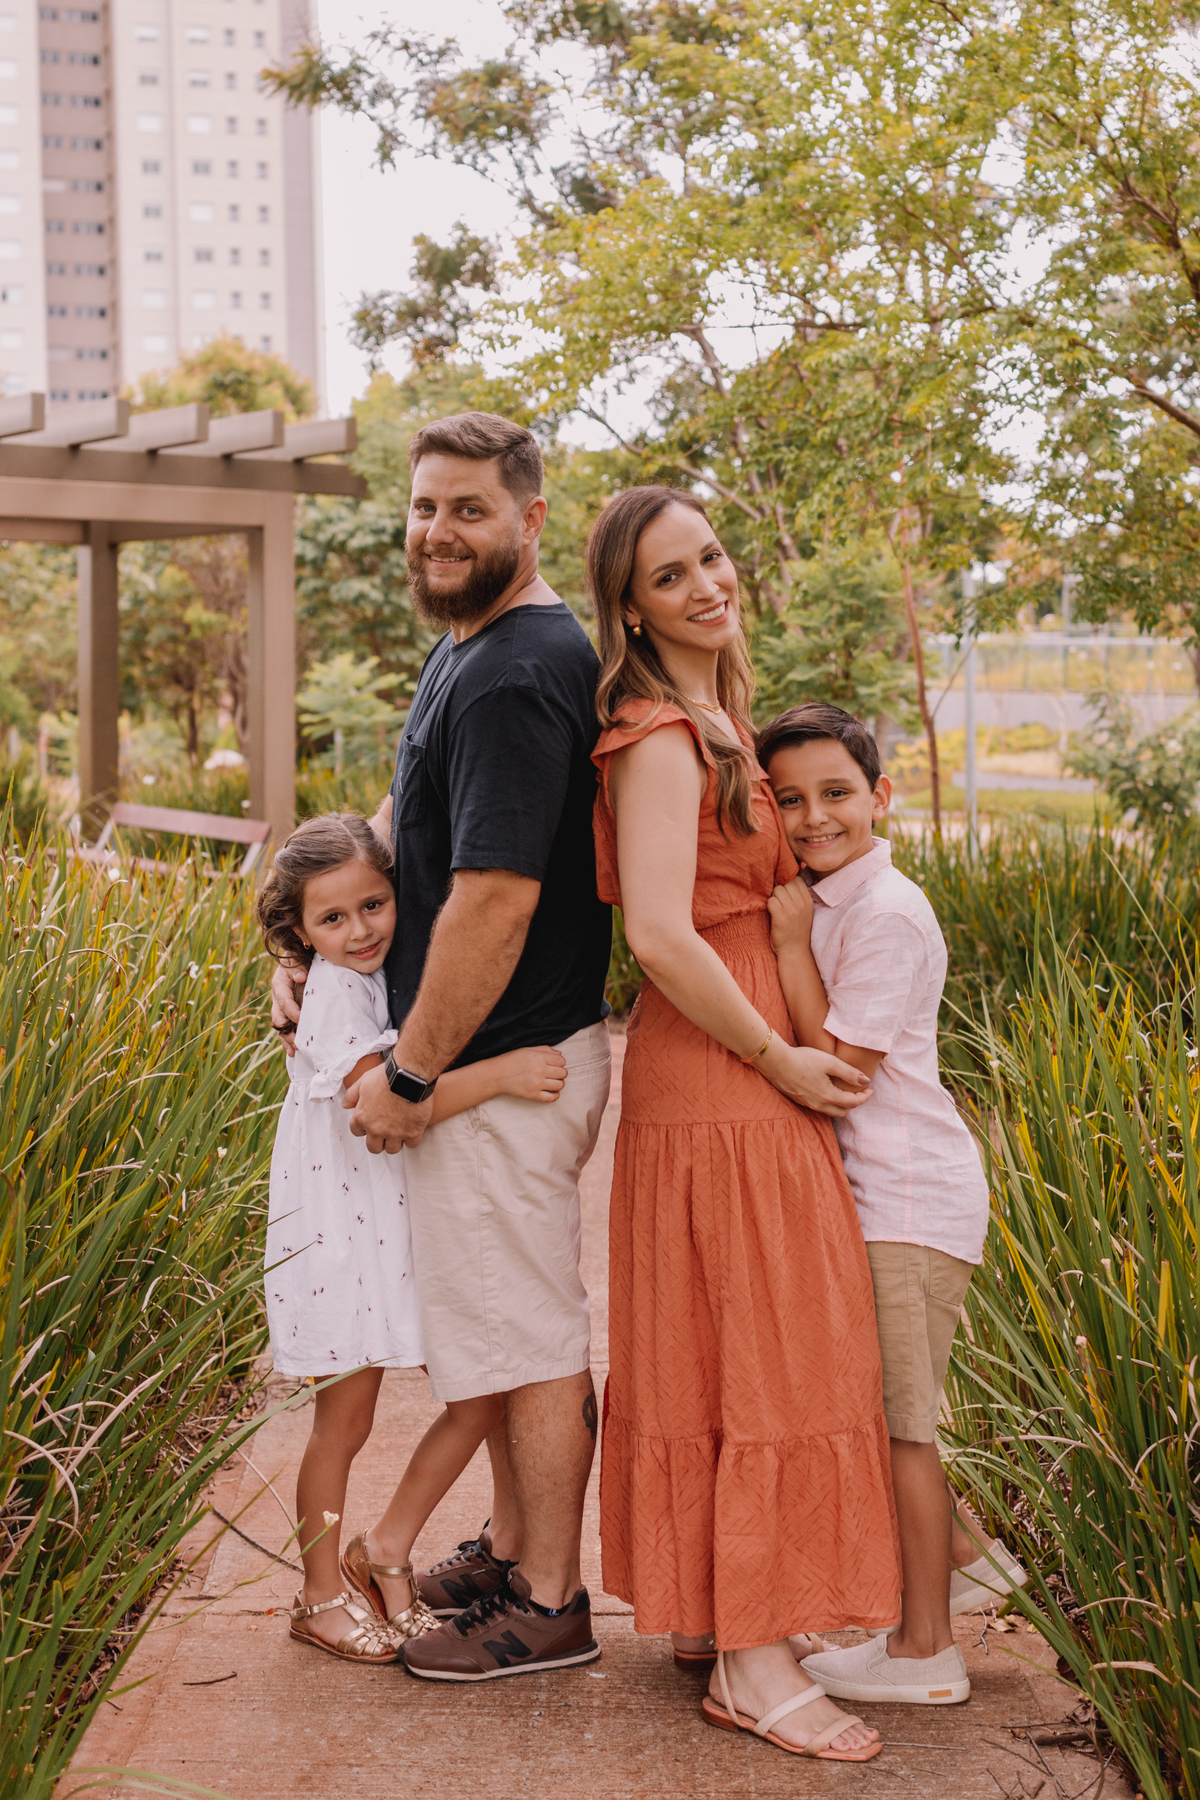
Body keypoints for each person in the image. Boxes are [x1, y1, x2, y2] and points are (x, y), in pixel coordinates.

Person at [272, 413, 614, 1682]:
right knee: (497, 1328)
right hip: (487, 1058)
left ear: (530, 520)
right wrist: (310, 950)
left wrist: (412, 1073)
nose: (438, 531)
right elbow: (398, 830)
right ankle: (511, 1551)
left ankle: (549, 1599)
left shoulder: (518, 672)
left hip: (504, 1060)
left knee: (530, 1336)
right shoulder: (468, 646)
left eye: (469, 508)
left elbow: (493, 898)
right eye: (425, 507)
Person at [588, 486, 902, 1763]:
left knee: (738, 1342)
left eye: (710, 557)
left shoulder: (720, 720)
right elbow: (660, 935)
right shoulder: (662, 738)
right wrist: (778, 1056)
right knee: (778, 1347)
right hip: (727, 1074)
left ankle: (725, 1613)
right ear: (631, 610)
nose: (708, 584)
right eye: (670, 576)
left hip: (741, 1069)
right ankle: (753, 1664)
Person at [756, 703, 1027, 1709]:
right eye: (790, 799)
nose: (814, 817)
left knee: (903, 1430)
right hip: (878, 1199)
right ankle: (967, 1562)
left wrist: (790, 949)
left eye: (835, 793)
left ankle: (925, 1652)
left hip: (908, 1199)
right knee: (879, 1418)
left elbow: (839, 1071)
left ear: (880, 796)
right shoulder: (834, 896)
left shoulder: (884, 912)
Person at [258, 812, 573, 1664]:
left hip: (395, 1230)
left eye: (375, 904)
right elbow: (381, 1103)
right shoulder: (331, 993)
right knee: (344, 1423)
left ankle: (388, 1549)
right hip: (342, 1241)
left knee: (478, 1396)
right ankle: (318, 1594)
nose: (360, 930)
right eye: (332, 918)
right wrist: (501, 1074)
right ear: (300, 932)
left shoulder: (383, 974)